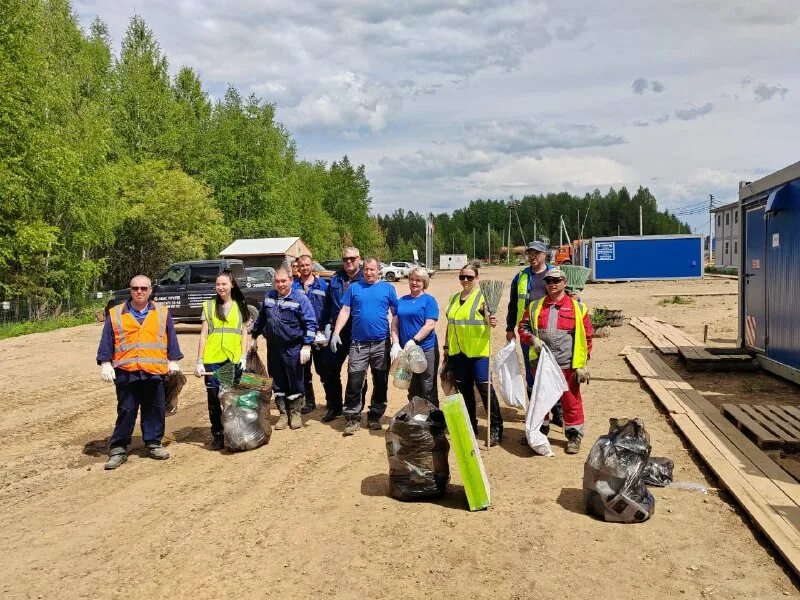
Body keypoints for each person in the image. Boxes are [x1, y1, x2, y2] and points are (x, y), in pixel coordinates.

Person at [96, 275, 183, 469]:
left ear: (150, 291)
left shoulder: (162, 312)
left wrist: (174, 360)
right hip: (126, 372)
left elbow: (171, 337)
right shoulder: (116, 313)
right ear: (131, 290)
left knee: (154, 408)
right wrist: (105, 362)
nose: (139, 291)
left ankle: (153, 443)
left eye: (144, 288)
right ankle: (118, 448)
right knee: (126, 410)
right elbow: (107, 339)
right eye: (135, 288)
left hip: (154, 370)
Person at [517, 266, 592, 454]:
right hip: (542, 364)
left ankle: (574, 436)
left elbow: (587, 338)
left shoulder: (578, 308)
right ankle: (539, 431)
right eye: (548, 281)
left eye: (556, 281)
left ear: (564, 283)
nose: (552, 284)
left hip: (567, 364)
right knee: (540, 400)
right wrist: (532, 339)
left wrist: (582, 365)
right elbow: (523, 328)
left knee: (571, 401)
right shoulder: (534, 307)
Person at [330, 257, 398, 434]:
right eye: (366, 269)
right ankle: (352, 417)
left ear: (378, 270)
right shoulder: (354, 288)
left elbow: (396, 315)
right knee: (354, 381)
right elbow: (345, 310)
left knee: (380, 381)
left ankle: (375, 415)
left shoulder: (388, 289)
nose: (368, 273)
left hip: (381, 343)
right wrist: (336, 333)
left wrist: (397, 341)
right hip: (358, 344)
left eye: (372, 269)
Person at [443, 264, 503, 445]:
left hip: (478, 352)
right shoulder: (454, 298)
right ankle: (471, 424)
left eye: (469, 277)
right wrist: (446, 347)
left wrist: (491, 320)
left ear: (477, 278)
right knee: (464, 390)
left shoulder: (482, 297)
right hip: (457, 352)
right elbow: (450, 325)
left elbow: (489, 316)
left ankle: (496, 428)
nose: (465, 280)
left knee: (485, 389)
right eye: (462, 277)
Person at [250, 267, 317, 430]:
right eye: (277, 281)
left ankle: (294, 413)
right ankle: (282, 414)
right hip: (274, 347)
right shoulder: (269, 297)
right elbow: (261, 319)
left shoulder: (300, 299)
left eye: (283, 281)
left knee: (294, 381)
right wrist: (253, 336)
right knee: (277, 381)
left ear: (291, 281)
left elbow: (310, 323)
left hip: (293, 347)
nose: (280, 284)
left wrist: (307, 345)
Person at [193, 271, 249, 449]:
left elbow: (244, 334)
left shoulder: (240, 306)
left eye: (224, 284)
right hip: (213, 360)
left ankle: (233, 432)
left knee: (231, 398)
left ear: (232, 285)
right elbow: (203, 334)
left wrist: (243, 357)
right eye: (218, 284)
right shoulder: (209, 306)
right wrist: (199, 361)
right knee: (214, 399)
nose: (220, 287)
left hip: (232, 359)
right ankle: (217, 434)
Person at [318, 246, 366, 423]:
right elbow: (328, 305)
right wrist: (321, 328)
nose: (349, 262)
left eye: (352, 258)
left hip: (358, 332)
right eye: (345, 259)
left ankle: (355, 408)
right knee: (329, 368)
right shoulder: (336, 279)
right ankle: (335, 406)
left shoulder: (365, 278)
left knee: (357, 373)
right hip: (337, 332)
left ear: (359, 259)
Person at [505, 240, 550, 397]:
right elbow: (513, 304)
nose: (532, 256)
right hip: (527, 330)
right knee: (531, 368)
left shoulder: (554, 274)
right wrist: (510, 328)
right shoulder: (521, 276)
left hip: (549, 328)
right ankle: (534, 404)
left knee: (551, 368)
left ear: (545, 254)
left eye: (536, 253)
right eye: (530, 253)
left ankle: (555, 408)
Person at [390, 266, 439, 405]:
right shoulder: (401, 301)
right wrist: (395, 343)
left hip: (426, 348)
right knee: (412, 386)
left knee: (428, 386)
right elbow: (395, 324)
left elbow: (429, 324)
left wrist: (414, 340)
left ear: (424, 282)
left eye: (418, 280)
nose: (414, 283)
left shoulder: (429, 300)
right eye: (412, 279)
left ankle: (432, 416)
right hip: (407, 351)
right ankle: (416, 415)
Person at [292, 254, 329, 414]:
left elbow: (329, 308)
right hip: (301, 336)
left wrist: (327, 330)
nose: (305, 268)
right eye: (302, 265)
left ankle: (331, 400)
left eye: (307, 265)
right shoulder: (293, 286)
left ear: (312, 266)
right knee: (304, 371)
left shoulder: (323, 285)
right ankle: (310, 401)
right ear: (298, 268)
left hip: (319, 335)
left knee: (324, 370)